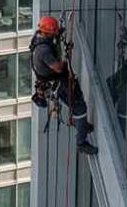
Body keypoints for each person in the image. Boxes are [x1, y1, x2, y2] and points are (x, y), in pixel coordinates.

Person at [29, 15, 98, 154]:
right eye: (53, 32)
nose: (55, 33)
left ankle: (82, 124)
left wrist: (59, 33)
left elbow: (53, 41)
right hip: (58, 82)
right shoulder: (44, 51)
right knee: (79, 106)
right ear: (48, 32)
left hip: (56, 79)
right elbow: (58, 67)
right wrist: (65, 60)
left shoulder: (39, 38)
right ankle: (81, 143)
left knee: (76, 101)